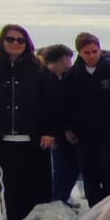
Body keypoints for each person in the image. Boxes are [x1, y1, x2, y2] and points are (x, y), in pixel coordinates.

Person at [0, 25, 60, 220]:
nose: (16, 43)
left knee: (39, 186)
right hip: (3, 138)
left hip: (36, 138)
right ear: (2, 41)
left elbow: (52, 102)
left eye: (20, 40)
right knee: (11, 186)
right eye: (11, 39)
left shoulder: (39, 69)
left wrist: (49, 131)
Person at [62, 32, 110, 206]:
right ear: (80, 52)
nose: (91, 56)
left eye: (94, 51)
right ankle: (95, 209)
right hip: (84, 134)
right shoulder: (72, 75)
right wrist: (68, 128)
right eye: (87, 53)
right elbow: (66, 104)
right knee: (90, 173)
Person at [39, 44, 79, 204]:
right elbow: (53, 109)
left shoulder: (58, 78)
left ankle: (61, 200)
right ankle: (58, 201)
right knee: (64, 170)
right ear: (63, 59)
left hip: (59, 131)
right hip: (56, 133)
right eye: (69, 59)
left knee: (68, 169)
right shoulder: (47, 79)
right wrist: (65, 129)